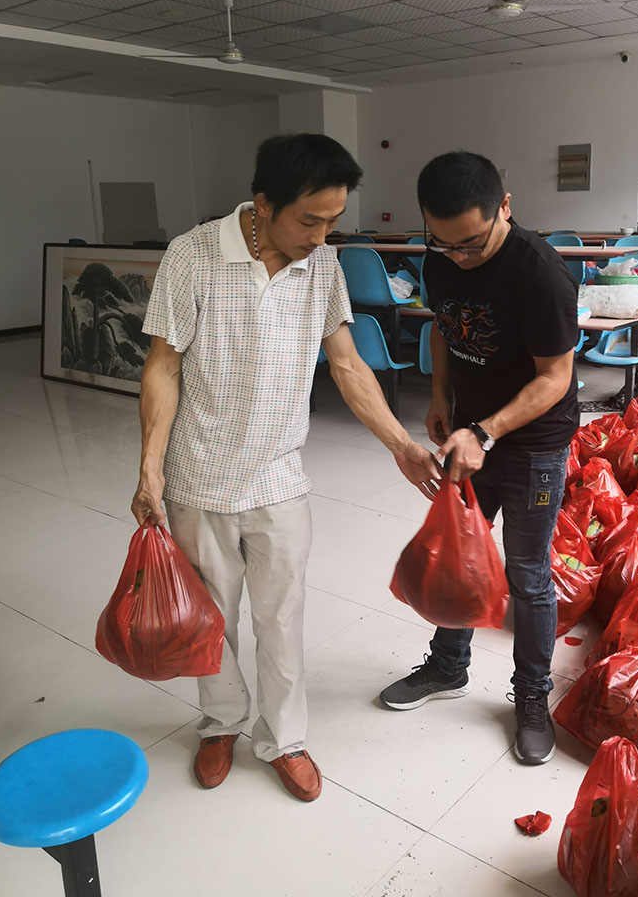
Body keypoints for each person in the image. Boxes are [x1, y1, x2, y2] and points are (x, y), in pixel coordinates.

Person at [132, 133, 440, 801]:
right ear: (264, 203)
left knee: (281, 618)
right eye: (309, 220)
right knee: (211, 618)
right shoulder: (192, 255)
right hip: (199, 475)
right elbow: (164, 364)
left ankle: (284, 738)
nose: (321, 236)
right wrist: (150, 466)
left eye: (333, 221)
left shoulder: (322, 266)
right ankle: (221, 723)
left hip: (278, 475)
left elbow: (348, 364)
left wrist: (402, 443)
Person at [380, 151, 579, 766]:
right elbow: (444, 328)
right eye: (444, 243)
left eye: (471, 243)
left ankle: (532, 695)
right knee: (459, 550)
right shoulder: (440, 256)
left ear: (505, 208)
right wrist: (441, 397)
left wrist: (485, 433)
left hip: (533, 442)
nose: (458, 256)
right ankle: (448, 666)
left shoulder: (540, 273)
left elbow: (554, 379)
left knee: (528, 573)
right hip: (471, 432)